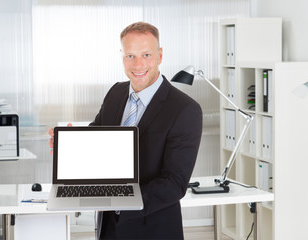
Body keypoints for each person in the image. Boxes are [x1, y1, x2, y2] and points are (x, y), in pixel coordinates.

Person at [49, 21, 202, 239]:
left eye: (146, 55)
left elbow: (174, 184)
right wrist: (68, 145)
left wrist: (119, 198)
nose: (138, 64)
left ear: (160, 55)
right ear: (122, 57)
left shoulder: (185, 109)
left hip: (152, 228)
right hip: (108, 227)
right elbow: (96, 140)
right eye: (130, 55)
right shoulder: (115, 93)